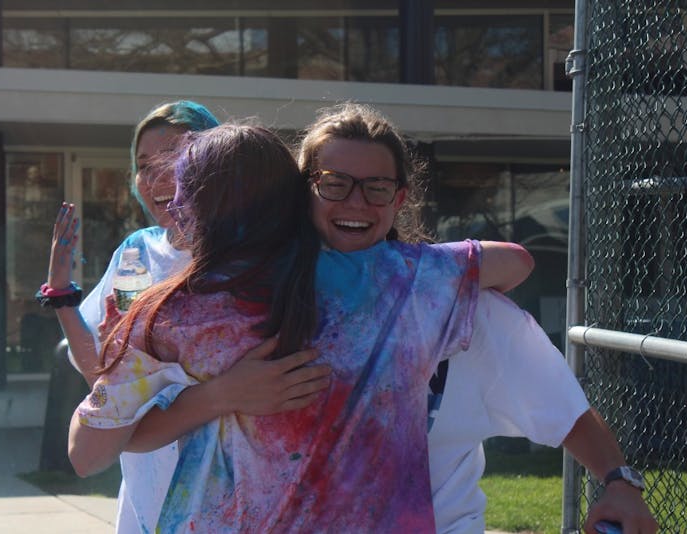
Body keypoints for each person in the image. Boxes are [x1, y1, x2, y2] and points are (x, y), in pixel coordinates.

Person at [68, 123, 534, 532]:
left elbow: (87, 455)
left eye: (180, 192)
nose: (172, 204)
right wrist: (417, 263)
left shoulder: (168, 316)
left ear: (195, 207)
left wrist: (207, 392)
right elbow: (515, 262)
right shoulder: (387, 280)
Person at [294, 102, 656, 534]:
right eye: (334, 184)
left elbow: (563, 407)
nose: (356, 202)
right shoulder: (259, 304)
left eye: (376, 187)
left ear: (399, 198)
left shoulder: (461, 306)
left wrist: (620, 483)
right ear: (305, 190)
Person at [44, 102, 330, 534]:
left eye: (176, 161)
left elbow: (91, 447)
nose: (165, 182)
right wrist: (218, 394)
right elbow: (98, 436)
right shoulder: (146, 277)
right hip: (159, 499)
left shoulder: (325, 283)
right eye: (144, 165)